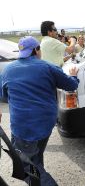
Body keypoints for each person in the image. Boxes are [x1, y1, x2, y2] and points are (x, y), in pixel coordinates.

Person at [0, 36, 79, 186]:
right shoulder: (48, 67)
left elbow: (4, 96)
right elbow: (70, 85)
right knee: (34, 159)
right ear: (36, 50)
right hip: (45, 125)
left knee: (26, 167)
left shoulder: (7, 70)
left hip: (23, 128)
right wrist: (74, 76)